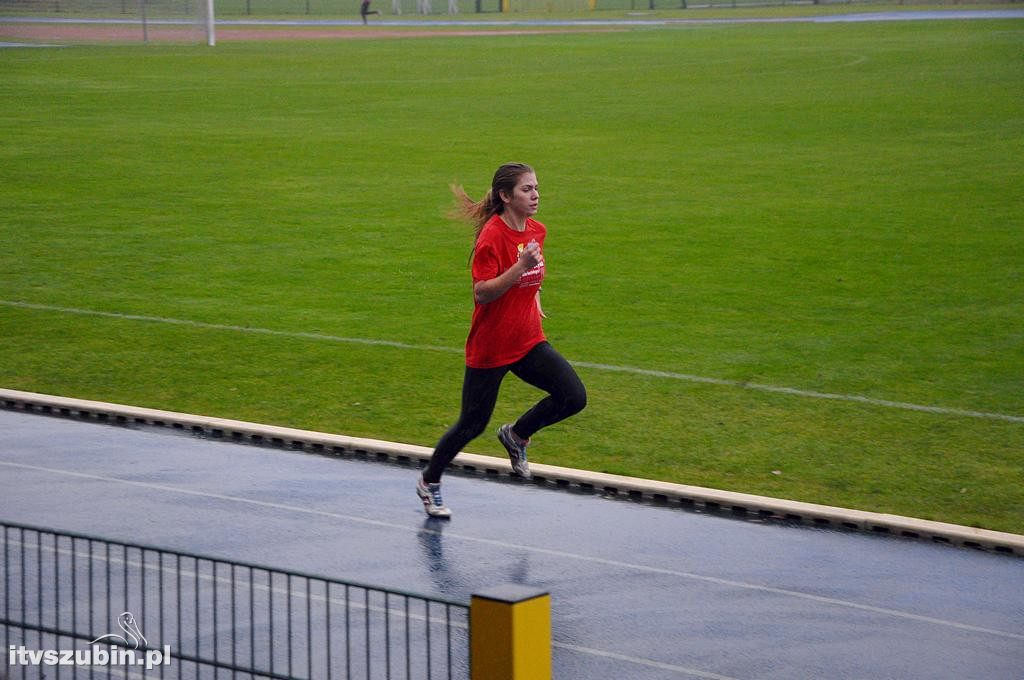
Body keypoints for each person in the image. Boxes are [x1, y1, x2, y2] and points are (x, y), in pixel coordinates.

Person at [416, 163, 587, 518]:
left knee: (573, 396)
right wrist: (520, 268)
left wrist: (534, 297)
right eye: (527, 189)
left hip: (527, 342)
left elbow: (534, 276)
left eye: (537, 187)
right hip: (491, 349)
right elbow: (482, 293)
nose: (536, 195)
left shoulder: (537, 231)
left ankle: (517, 435)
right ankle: (429, 481)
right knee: (471, 424)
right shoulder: (492, 236)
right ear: (506, 197)